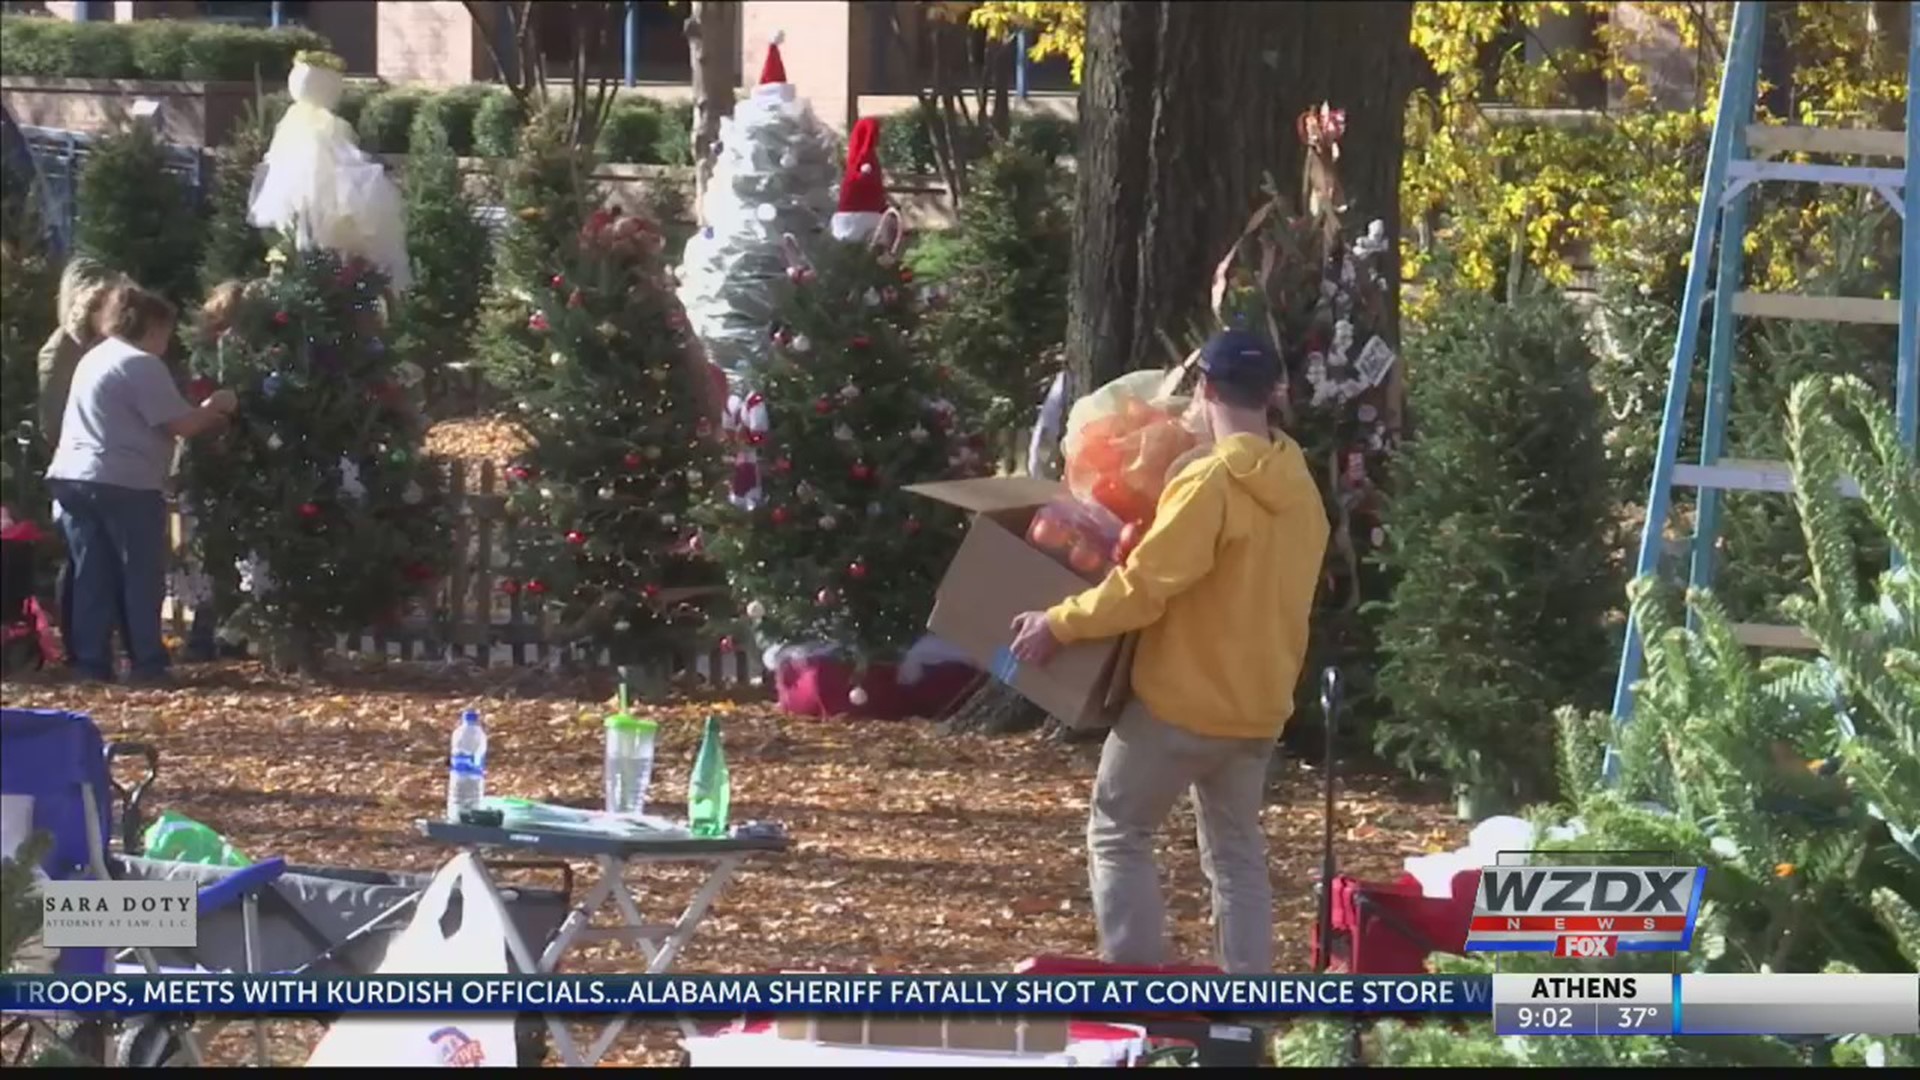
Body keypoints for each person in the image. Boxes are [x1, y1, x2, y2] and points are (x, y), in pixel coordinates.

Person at [1008, 329, 1331, 975]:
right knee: (1237, 861)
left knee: (1119, 831)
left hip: (1178, 708)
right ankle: (1248, 1016)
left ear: (1206, 389)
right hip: (1259, 712)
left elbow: (1144, 589)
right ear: (1274, 394)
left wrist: (1059, 622)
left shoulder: (1210, 483)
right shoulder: (1304, 493)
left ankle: (1139, 998)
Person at [45, 285, 237, 686]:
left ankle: (90, 663)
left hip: (73, 477)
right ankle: (147, 663)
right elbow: (181, 424)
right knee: (139, 574)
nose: (166, 344)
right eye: (165, 333)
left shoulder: (94, 357)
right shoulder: (141, 364)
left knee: (90, 573)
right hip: (124, 481)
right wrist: (216, 407)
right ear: (152, 327)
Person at [37, 256, 129, 660]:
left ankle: (96, 645)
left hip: (111, 465)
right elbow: (51, 417)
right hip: (77, 467)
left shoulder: (110, 347)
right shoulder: (61, 351)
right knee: (81, 560)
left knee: (96, 560)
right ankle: (83, 648)